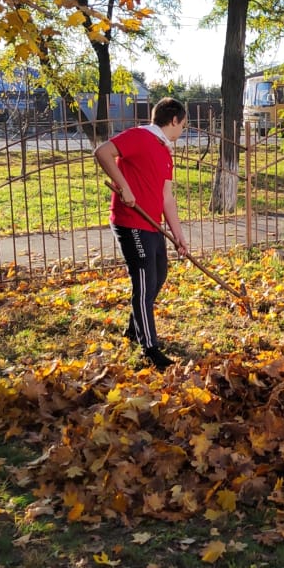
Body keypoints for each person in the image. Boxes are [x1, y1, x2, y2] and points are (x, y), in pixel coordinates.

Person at [94, 98, 190, 370]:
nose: (182, 130)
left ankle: (134, 329)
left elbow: (166, 197)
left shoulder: (165, 151)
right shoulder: (139, 136)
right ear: (174, 120)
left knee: (159, 275)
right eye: (182, 125)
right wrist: (123, 186)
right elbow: (102, 152)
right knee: (145, 282)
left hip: (152, 224)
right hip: (131, 222)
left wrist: (178, 235)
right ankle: (149, 348)